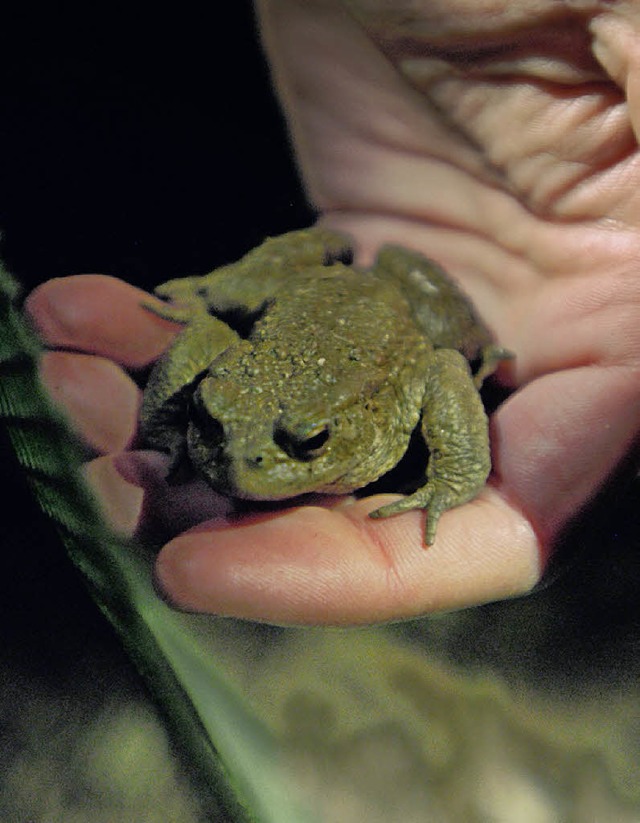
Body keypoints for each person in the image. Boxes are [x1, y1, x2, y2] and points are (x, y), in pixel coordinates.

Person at [24, 1, 640, 625]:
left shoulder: (372, 401)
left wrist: (455, 471)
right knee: (223, 306)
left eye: (304, 442)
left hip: (392, 315)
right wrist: (170, 428)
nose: (243, 459)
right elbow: (207, 336)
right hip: (309, 299)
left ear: (348, 426)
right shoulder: (236, 400)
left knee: (463, 345)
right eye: (215, 424)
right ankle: (224, 307)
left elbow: (441, 367)